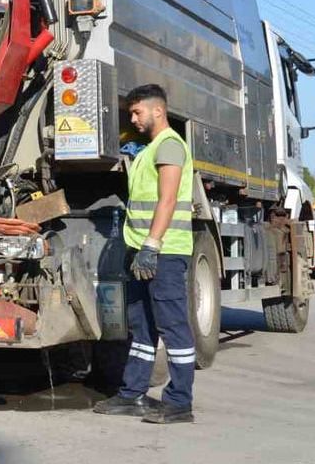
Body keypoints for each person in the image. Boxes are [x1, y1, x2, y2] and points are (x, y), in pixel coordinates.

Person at [93, 84, 197, 424]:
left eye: (137, 112)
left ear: (158, 111)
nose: (133, 119)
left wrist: (152, 246)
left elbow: (167, 200)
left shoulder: (169, 146)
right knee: (142, 327)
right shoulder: (149, 150)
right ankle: (132, 394)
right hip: (143, 252)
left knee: (172, 326)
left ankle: (180, 401)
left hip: (163, 253)